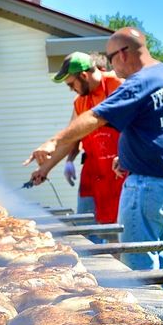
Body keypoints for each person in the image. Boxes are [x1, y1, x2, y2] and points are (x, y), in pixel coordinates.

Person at [25, 28, 163, 322]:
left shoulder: (137, 83)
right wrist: (126, 156)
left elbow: (96, 117)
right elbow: (157, 127)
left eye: (111, 58)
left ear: (124, 54)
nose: (110, 65)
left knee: (136, 261)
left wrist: (53, 141)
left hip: (146, 184)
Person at [30, 52, 125, 225]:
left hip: (120, 172)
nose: (71, 89)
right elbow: (71, 138)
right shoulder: (80, 101)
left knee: (120, 229)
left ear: (84, 75)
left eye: (71, 84)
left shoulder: (119, 85)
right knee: (87, 230)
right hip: (93, 173)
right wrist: (44, 169)